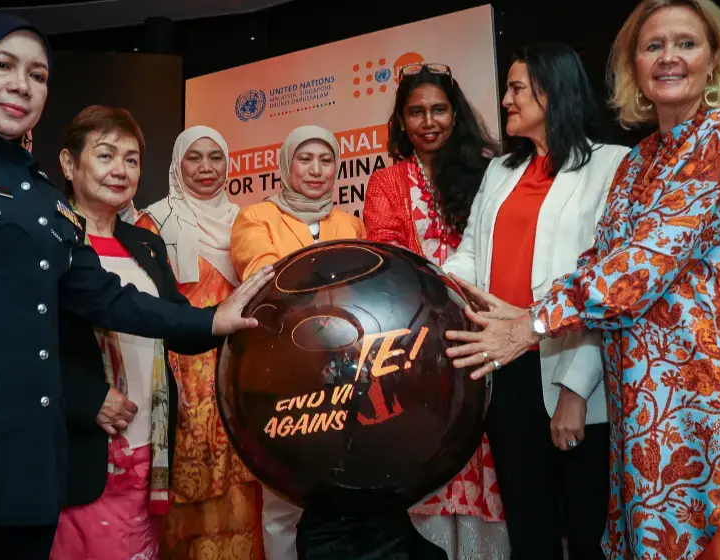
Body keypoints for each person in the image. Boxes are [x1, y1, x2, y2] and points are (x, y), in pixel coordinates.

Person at [0, 15, 272, 560]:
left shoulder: (41, 197)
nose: (21, 84)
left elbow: (106, 296)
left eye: (37, 74)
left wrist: (211, 320)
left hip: (21, 484)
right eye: (2, 65)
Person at [444, 1, 720, 558]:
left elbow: (642, 263)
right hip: (645, 401)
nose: (668, 58)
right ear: (633, 65)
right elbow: (598, 261)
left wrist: (532, 322)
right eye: (652, 46)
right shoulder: (640, 161)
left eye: (686, 44)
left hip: (717, 394)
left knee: (719, 541)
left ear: (715, 60)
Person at [442, 42, 629, 559]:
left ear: (553, 91)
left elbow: (606, 284)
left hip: (573, 370)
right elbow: (472, 253)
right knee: (529, 528)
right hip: (505, 369)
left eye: (517, 88)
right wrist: (438, 283)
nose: (505, 99)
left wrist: (575, 390)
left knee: (590, 530)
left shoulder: (612, 166)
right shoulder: (501, 169)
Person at [48, 106, 223, 559]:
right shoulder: (49, 239)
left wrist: (233, 318)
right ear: (69, 163)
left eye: (131, 159)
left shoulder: (145, 242)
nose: (121, 171)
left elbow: (178, 326)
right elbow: (23, 342)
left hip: (149, 444)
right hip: (80, 446)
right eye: (106, 156)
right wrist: (85, 399)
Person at [362, 62, 508, 559]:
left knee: (495, 449)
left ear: (456, 114)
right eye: (416, 112)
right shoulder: (385, 183)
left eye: (439, 110)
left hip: (492, 335)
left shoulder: (492, 170)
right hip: (419, 344)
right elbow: (387, 255)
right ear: (401, 121)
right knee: (430, 444)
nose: (429, 121)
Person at [229, 125, 365, 559]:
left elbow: (366, 291)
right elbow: (266, 273)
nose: (316, 170)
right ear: (286, 165)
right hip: (281, 372)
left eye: (326, 160)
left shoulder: (351, 223)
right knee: (284, 498)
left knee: (348, 487)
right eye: (305, 159)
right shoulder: (256, 217)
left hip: (347, 375)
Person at [139, 126, 265, 559]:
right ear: (177, 164)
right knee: (185, 481)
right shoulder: (153, 221)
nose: (207, 167)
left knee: (243, 478)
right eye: (195, 157)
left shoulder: (247, 221)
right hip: (180, 368)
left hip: (237, 366)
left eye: (216, 157)